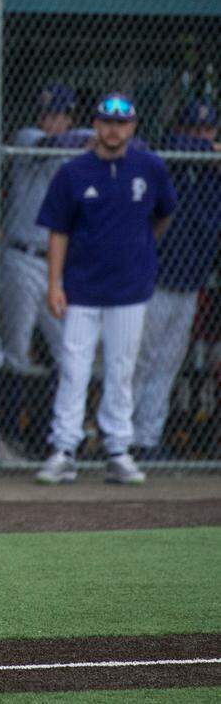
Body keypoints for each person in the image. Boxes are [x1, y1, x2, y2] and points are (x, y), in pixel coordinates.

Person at [35, 92, 177, 485]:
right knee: (74, 368)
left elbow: (163, 216)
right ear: (95, 125)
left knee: (122, 368)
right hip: (81, 288)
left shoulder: (150, 167)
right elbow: (58, 232)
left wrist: (137, 251)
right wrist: (54, 283)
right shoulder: (74, 171)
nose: (114, 130)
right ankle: (64, 448)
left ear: (132, 127)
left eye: (122, 123)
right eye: (107, 122)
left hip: (130, 288)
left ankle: (117, 448)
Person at [131, 101, 221, 459]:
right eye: (192, 130)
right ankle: (119, 438)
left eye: (206, 131)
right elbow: (165, 145)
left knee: (168, 362)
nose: (199, 137)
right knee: (141, 360)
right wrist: (205, 149)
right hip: (153, 281)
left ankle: (147, 439)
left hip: (189, 283)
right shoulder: (164, 161)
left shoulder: (213, 175)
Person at [0, 84, 86, 454]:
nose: (54, 122)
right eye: (49, 114)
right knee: (14, 349)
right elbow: (52, 146)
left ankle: (48, 435)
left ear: (70, 118)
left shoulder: (83, 146)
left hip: (57, 261)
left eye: (61, 115)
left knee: (66, 349)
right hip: (20, 256)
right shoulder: (27, 138)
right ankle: (3, 436)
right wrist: (95, 136)